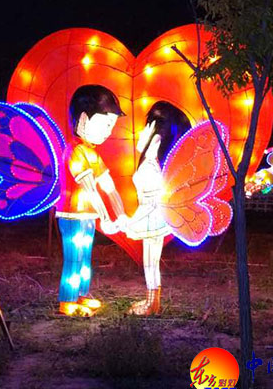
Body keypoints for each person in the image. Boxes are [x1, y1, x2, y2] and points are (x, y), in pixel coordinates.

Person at [55, 84, 128, 317]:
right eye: (105, 124)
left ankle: (82, 294)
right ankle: (67, 300)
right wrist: (106, 218)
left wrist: (122, 215)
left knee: (85, 257)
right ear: (84, 118)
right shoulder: (75, 151)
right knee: (74, 257)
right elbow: (90, 189)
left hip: (87, 216)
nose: (108, 131)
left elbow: (109, 187)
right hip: (72, 215)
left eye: (111, 126)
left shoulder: (93, 154)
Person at [121, 101, 191, 316]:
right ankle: (152, 301)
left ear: (155, 128)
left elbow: (151, 195)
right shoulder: (152, 156)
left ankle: (152, 303)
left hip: (152, 214)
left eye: (148, 124)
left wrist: (133, 220)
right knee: (150, 259)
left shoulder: (153, 161)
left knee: (150, 260)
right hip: (151, 212)